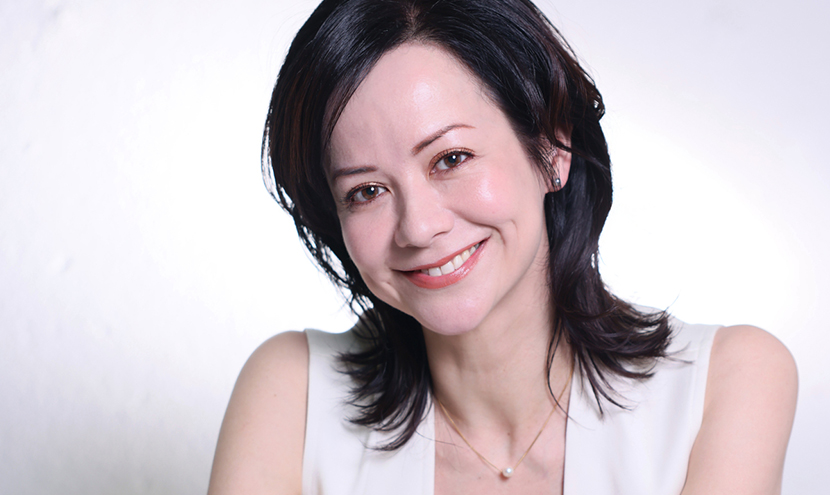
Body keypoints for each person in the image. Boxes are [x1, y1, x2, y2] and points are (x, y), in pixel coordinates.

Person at [208, 0, 797, 493]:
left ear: (552, 149)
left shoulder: (724, 383)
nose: (418, 228)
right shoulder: (291, 395)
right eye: (366, 191)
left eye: (451, 158)